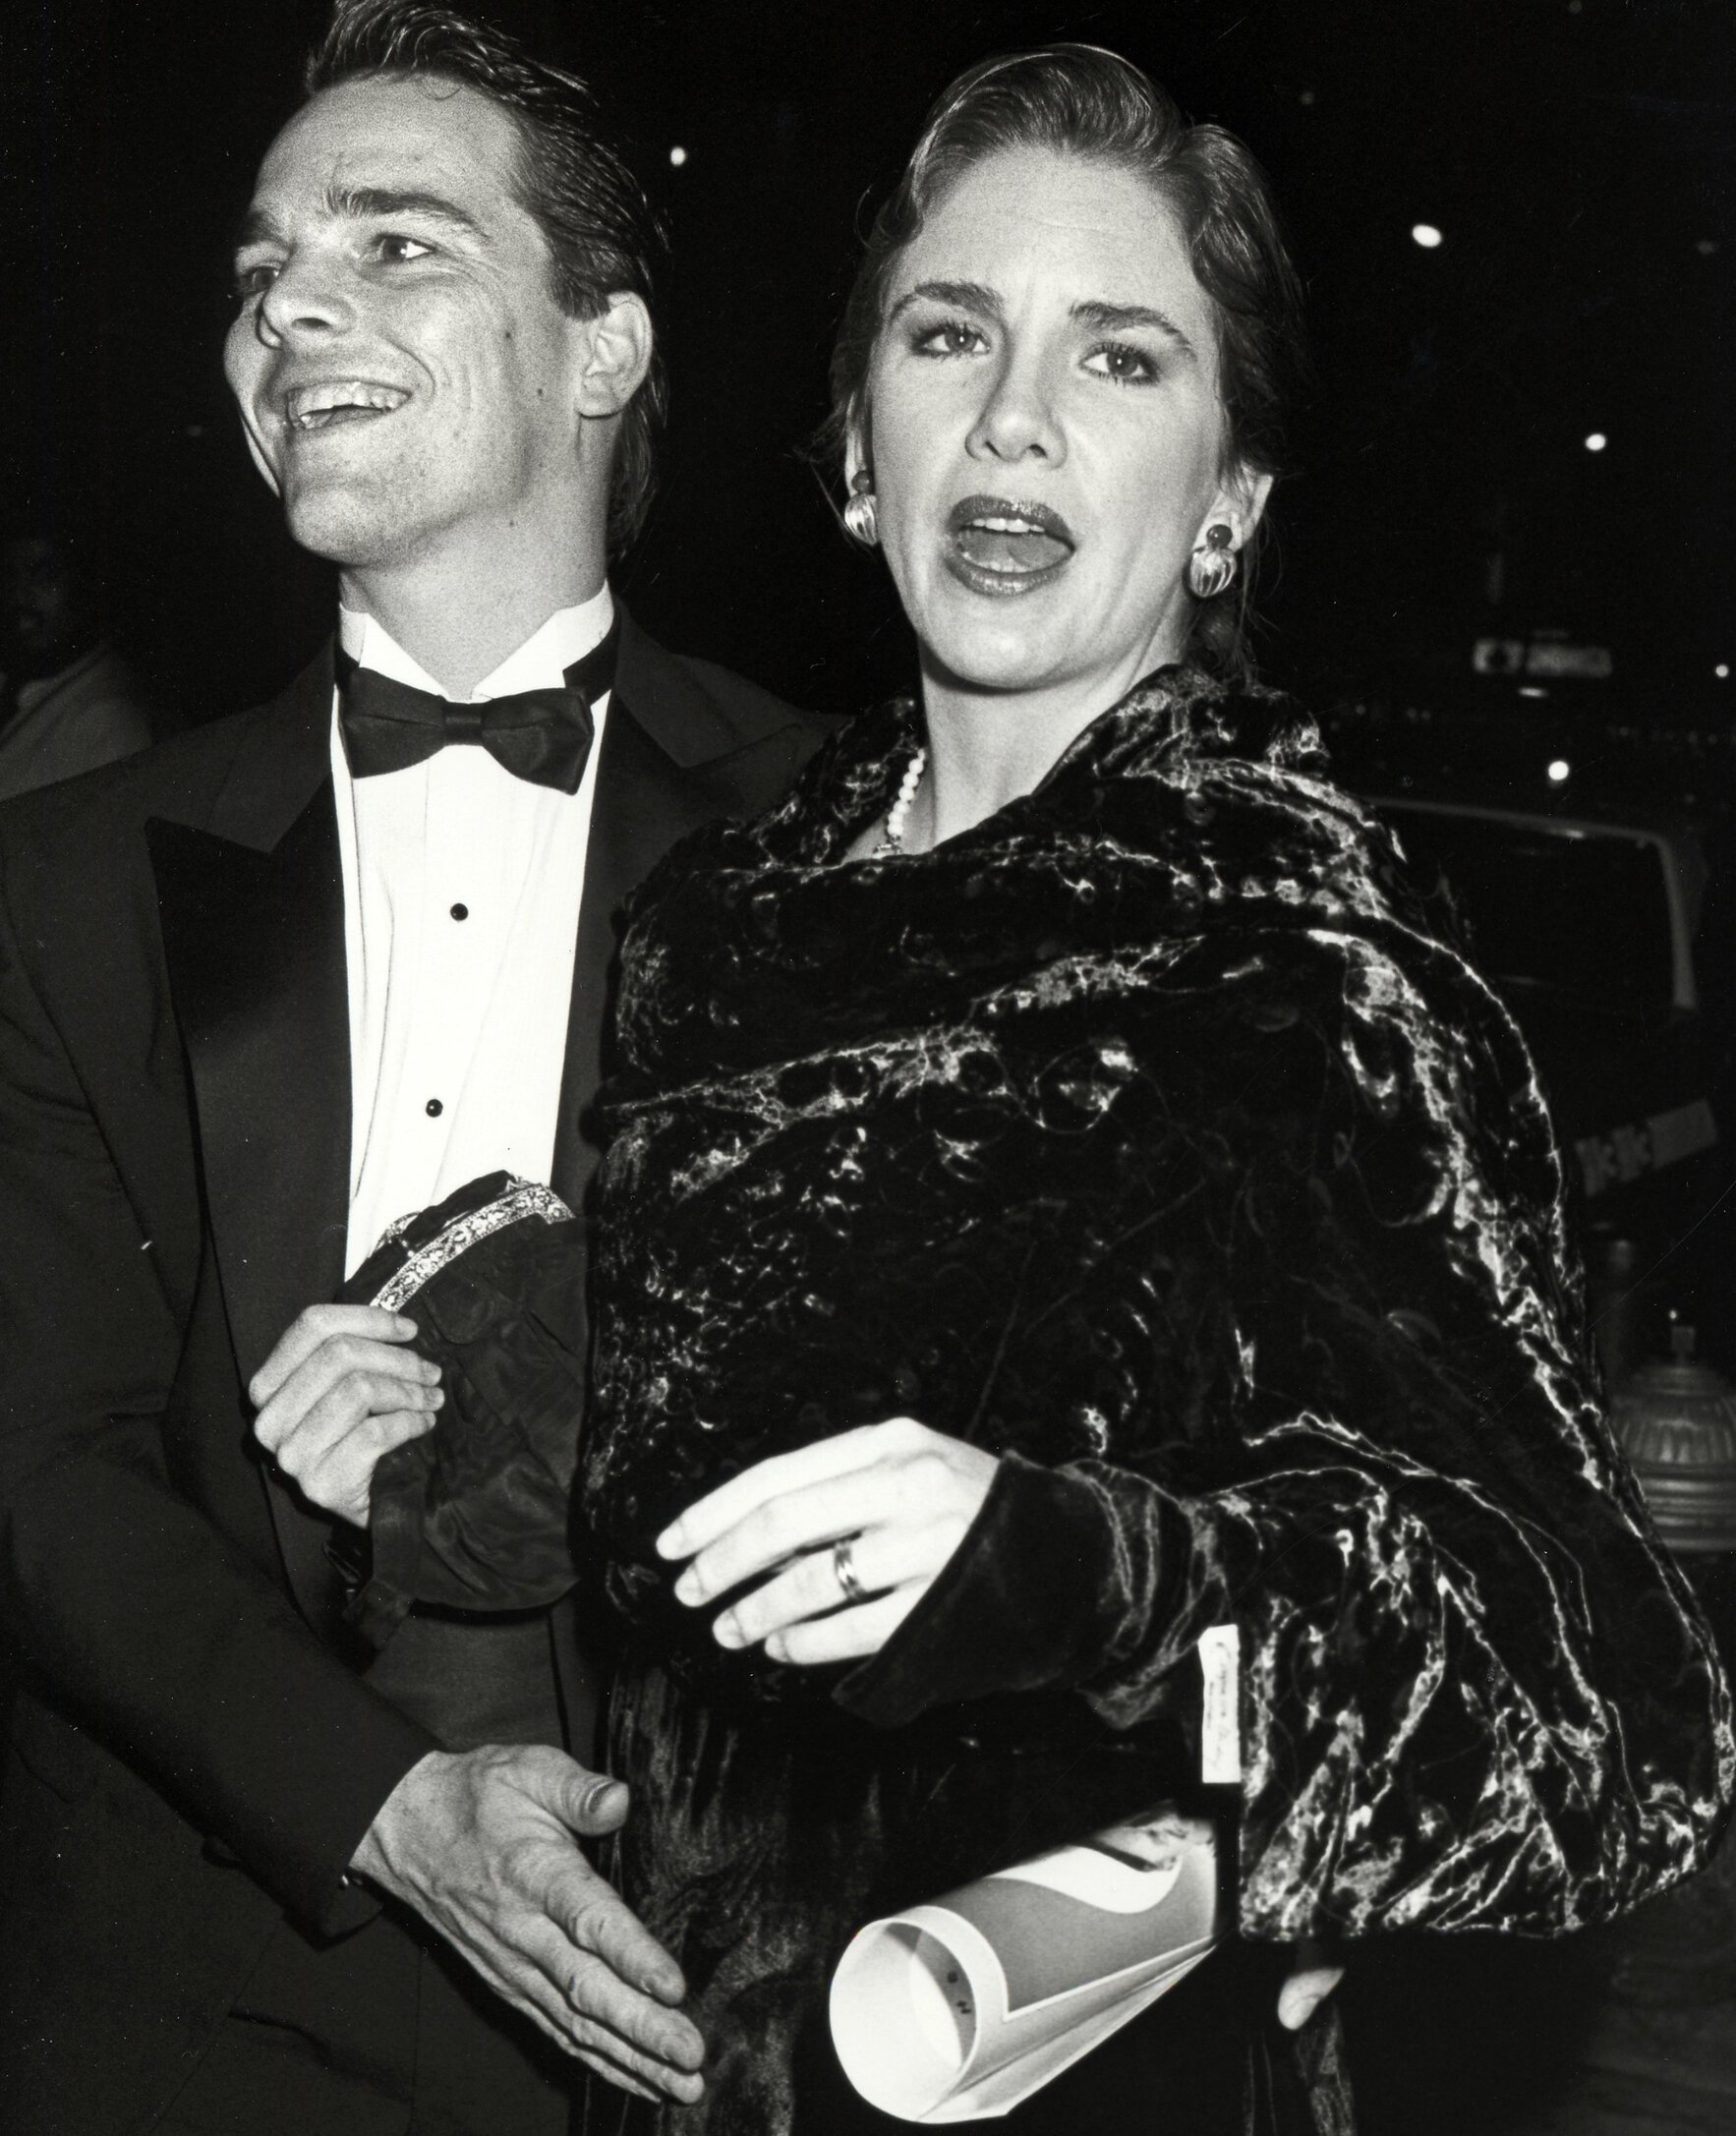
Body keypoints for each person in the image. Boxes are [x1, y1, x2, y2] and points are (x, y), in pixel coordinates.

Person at [559, 46, 1731, 2135]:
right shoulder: (718, 915)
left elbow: (1610, 1719)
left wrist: (1095, 1572)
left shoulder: (1289, 948)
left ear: (1230, 500)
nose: (1012, 415)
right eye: (949, 335)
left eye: (1119, 358)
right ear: (857, 449)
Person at [0, 4, 829, 2130]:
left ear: (602, 347)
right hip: (204, 1984)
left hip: (711, 1982)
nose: (290, 309)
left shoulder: (847, 844)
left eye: (394, 245)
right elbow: (39, 1468)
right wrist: (387, 1808)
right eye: (263, 269)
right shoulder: (61, 876)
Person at [0, 519, 156, 800]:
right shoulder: (18, 679)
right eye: (10, 578)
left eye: (43, 575)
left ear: (83, 583)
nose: (18, 597)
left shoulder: (109, 718)